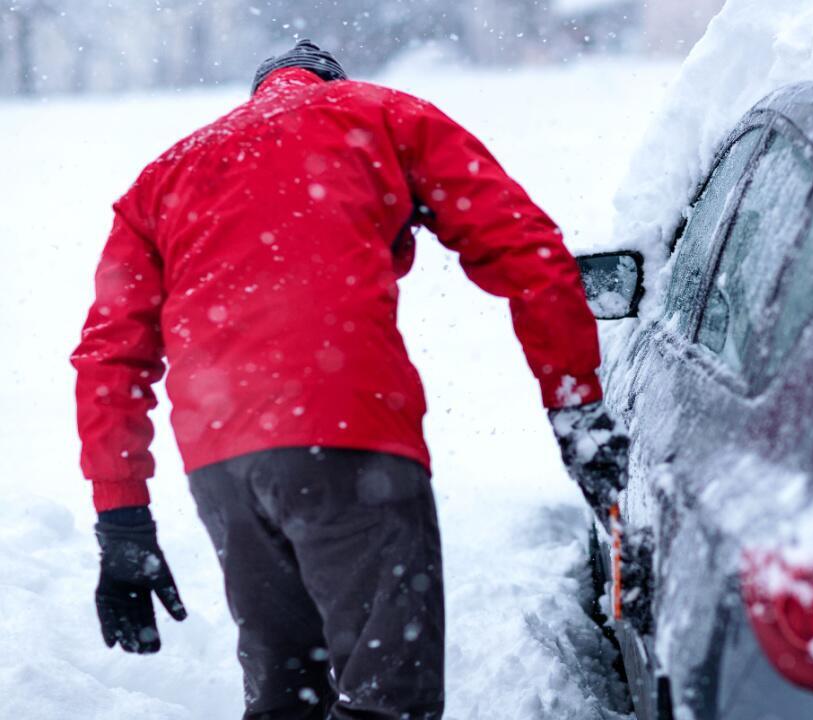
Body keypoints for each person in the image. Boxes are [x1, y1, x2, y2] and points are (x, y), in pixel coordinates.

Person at [72, 39, 629, 720]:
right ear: (332, 80)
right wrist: (575, 410)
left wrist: (121, 518)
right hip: (350, 440)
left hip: (223, 467)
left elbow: (108, 357)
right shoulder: (384, 116)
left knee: (287, 699)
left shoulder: (165, 175)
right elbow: (530, 255)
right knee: (389, 700)